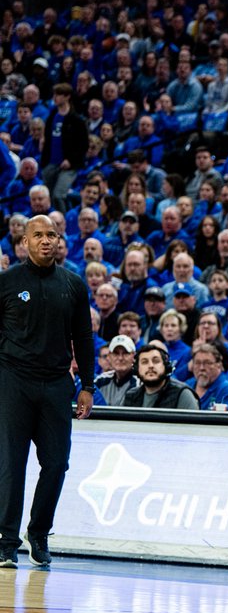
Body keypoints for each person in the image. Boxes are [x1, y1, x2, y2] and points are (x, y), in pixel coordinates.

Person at [0, 215, 95, 568]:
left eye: (51, 235)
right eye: (37, 235)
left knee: (57, 463)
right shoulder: (7, 283)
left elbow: (84, 337)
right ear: (24, 242)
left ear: (59, 240)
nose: (45, 241)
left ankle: (38, 533)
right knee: (11, 462)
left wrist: (87, 384)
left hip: (57, 384)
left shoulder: (73, 285)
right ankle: (6, 541)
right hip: (13, 380)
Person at [122, 345, 200, 409]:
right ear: (137, 369)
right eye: (144, 362)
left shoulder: (182, 394)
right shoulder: (131, 396)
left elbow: (192, 427)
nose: (151, 366)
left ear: (166, 366)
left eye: (156, 361)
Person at [94, 334, 140, 406]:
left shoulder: (139, 383)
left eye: (125, 353)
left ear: (133, 356)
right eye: (116, 353)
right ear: (109, 356)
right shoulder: (101, 380)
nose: (120, 358)